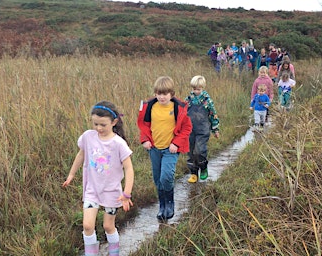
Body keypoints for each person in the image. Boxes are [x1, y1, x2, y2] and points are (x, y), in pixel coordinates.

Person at [63, 101, 134, 256]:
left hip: (112, 192)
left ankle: (114, 252)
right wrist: (71, 174)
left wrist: (126, 194)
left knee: (108, 226)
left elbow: (129, 169)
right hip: (91, 189)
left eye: (103, 125)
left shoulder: (118, 144)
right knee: (87, 225)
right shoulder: (88, 137)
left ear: (114, 122)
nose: (99, 128)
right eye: (95, 124)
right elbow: (81, 154)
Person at [137, 76, 192, 221]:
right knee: (157, 178)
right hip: (154, 148)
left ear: (171, 94)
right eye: (159, 94)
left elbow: (187, 127)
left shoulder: (177, 108)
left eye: (165, 94)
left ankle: (170, 202)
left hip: (170, 149)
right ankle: (162, 205)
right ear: (155, 93)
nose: (162, 97)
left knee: (166, 176)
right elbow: (144, 126)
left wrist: (176, 143)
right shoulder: (149, 107)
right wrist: (145, 140)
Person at [184, 75, 220, 183]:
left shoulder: (207, 101)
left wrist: (215, 129)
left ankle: (203, 167)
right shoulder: (188, 100)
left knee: (199, 150)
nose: (196, 91)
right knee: (190, 152)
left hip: (203, 130)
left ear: (203, 88)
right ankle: (193, 173)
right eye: (194, 89)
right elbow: (183, 114)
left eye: (198, 89)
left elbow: (213, 115)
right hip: (190, 130)